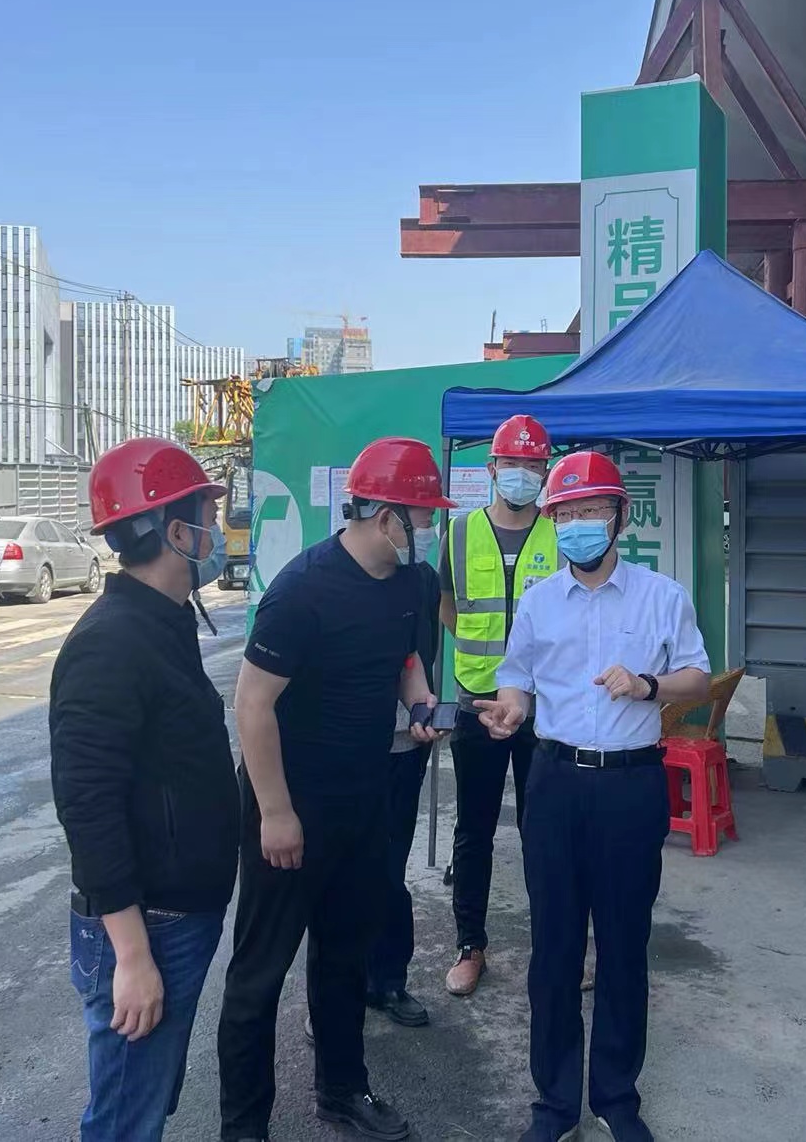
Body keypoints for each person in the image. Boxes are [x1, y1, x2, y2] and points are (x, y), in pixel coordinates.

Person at [218, 435, 451, 1142]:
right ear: (385, 517)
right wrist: (276, 813)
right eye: (423, 516)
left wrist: (420, 703)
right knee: (260, 973)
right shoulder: (303, 590)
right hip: (290, 804)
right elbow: (253, 703)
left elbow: (405, 659)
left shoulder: (410, 584)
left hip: (363, 798)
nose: (430, 528)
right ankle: (243, 1126)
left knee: (346, 956)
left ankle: (343, 1092)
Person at [478, 451, 710, 1142]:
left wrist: (647, 685)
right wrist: (511, 708)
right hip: (553, 783)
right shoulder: (539, 601)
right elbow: (518, 676)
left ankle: (615, 1098)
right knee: (552, 948)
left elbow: (697, 678)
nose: (577, 524)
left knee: (623, 944)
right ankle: (554, 1106)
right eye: (566, 513)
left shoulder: (661, 596)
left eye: (591, 511)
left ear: (619, 517)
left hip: (631, 785)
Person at [49, 437, 241, 1142]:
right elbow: (87, 806)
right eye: (207, 518)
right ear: (172, 530)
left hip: (178, 911)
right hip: (148, 926)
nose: (217, 534)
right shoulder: (112, 642)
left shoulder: (162, 620)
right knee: (125, 1116)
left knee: (146, 1099)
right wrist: (130, 956)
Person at [437, 413, 556, 998]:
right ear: (491, 468)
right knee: (474, 831)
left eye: (534, 465)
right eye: (513, 463)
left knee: (547, 832)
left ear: (546, 471)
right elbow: (446, 602)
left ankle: (557, 945)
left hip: (545, 709)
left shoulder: (559, 532)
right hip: (477, 705)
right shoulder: (459, 533)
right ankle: (470, 945)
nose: (523, 474)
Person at [363, 542, 444, 1028]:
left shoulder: (422, 578)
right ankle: (335, 992)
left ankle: (389, 980)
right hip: (351, 752)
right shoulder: (331, 578)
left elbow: (420, 654)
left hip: (403, 746)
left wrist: (423, 710)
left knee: (391, 871)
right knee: (343, 877)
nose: (423, 529)